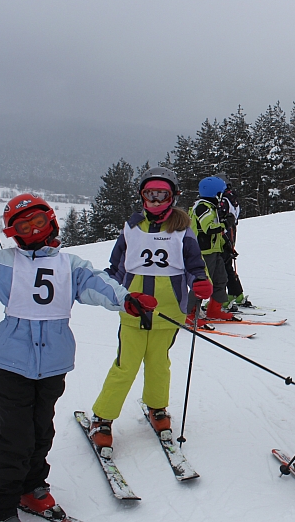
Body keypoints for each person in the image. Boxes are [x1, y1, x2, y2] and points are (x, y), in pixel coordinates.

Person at [0, 193, 155, 522]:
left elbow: (98, 284)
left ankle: (30, 487)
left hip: (53, 365)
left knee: (42, 432)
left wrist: (126, 299)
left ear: (51, 221)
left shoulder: (70, 266)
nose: (32, 230)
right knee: (15, 438)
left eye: (38, 222)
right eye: (23, 226)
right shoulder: (3, 263)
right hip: (12, 364)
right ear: (13, 233)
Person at [90, 166, 211, 448]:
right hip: (134, 309)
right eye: (150, 195)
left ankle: (157, 407)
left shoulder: (182, 229)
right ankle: (103, 417)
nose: (156, 201)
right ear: (142, 196)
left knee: (159, 363)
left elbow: (195, 266)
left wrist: (201, 282)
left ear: (173, 196)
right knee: (126, 365)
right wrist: (107, 288)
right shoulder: (132, 228)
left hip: (169, 311)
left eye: (162, 195)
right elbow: (117, 267)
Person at [187, 176, 234, 321]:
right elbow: (208, 229)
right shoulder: (202, 207)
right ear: (215, 193)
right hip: (203, 252)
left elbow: (216, 233)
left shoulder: (211, 207)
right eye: (221, 193)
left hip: (214, 250)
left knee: (221, 279)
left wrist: (226, 244)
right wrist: (226, 223)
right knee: (202, 282)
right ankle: (190, 313)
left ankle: (214, 309)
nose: (222, 196)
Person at [216, 172, 250, 309]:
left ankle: (223, 298)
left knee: (221, 266)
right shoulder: (232, 198)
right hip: (231, 233)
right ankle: (236, 294)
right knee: (227, 264)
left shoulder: (224, 199)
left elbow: (219, 216)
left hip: (223, 234)